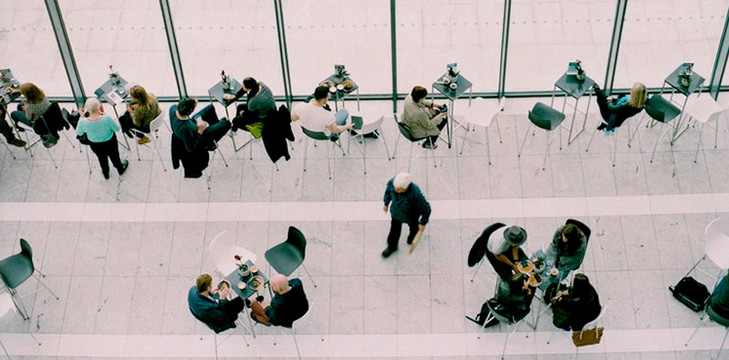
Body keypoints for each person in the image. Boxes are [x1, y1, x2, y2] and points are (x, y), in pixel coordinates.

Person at [170, 97, 231, 178]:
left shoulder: (173, 108)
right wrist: (200, 131)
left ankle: (215, 128)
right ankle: (211, 142)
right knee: (227, 123)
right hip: (199, 139)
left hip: (193, 125)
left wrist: (196, 123)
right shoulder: (186, 128)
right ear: (189, 112)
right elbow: (190, 147)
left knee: (210, 108)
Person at [381, 172, 432, 258]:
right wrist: (386, 203)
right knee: (394, 230)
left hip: (411, 216)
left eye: (398, 189)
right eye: (395, 188)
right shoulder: (393, 183)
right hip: (396, 213)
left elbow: (426, 208)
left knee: (414, 228)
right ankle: (392, 246)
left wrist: (423, 223)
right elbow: (388, 192)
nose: (395, 190)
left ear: (406, 188)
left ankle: (411, 238)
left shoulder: (416, 194)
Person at [76, 97, 128, 180]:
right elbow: (117, 129)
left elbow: (79, 133)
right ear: (99, 107)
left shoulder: (83, 122)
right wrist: (105, 115)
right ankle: (120, 169)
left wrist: (81, 117)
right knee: (115, 157)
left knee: (101, 158)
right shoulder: (107, 119)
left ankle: (106, 173)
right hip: (110, 142)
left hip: (95, 144)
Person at [7, 82, 62, 147]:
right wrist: (17, 91)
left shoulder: (30, 107)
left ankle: (18, 126)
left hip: (38, 125)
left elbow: (29, 118)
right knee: (20, 105)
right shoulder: (42, 95)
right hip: (49, 118)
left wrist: (25, 110)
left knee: (14, 114)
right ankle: (19, 126)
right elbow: (31, 91)